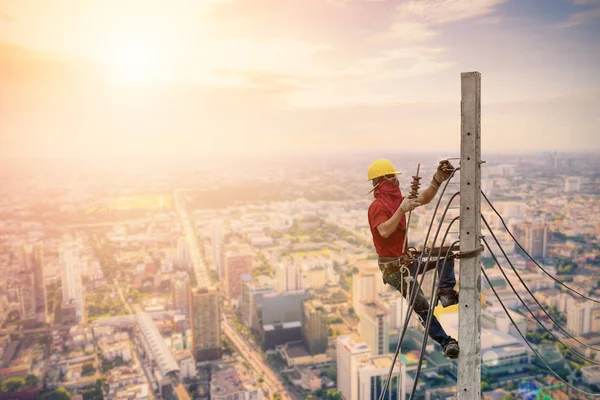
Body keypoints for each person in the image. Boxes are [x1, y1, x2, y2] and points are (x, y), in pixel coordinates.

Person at [366, 159, 460, 359]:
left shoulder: (395, 200)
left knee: (447, 254)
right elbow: (383, 231)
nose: (396, 180)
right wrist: (402, 209)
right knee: (422, 307)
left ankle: (445, 292)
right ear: (382, 181)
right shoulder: (377, 207)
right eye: (392, 177)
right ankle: (446, 343)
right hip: (395, 271)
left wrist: (437, 180)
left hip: (407, 262)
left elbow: (424, 198)